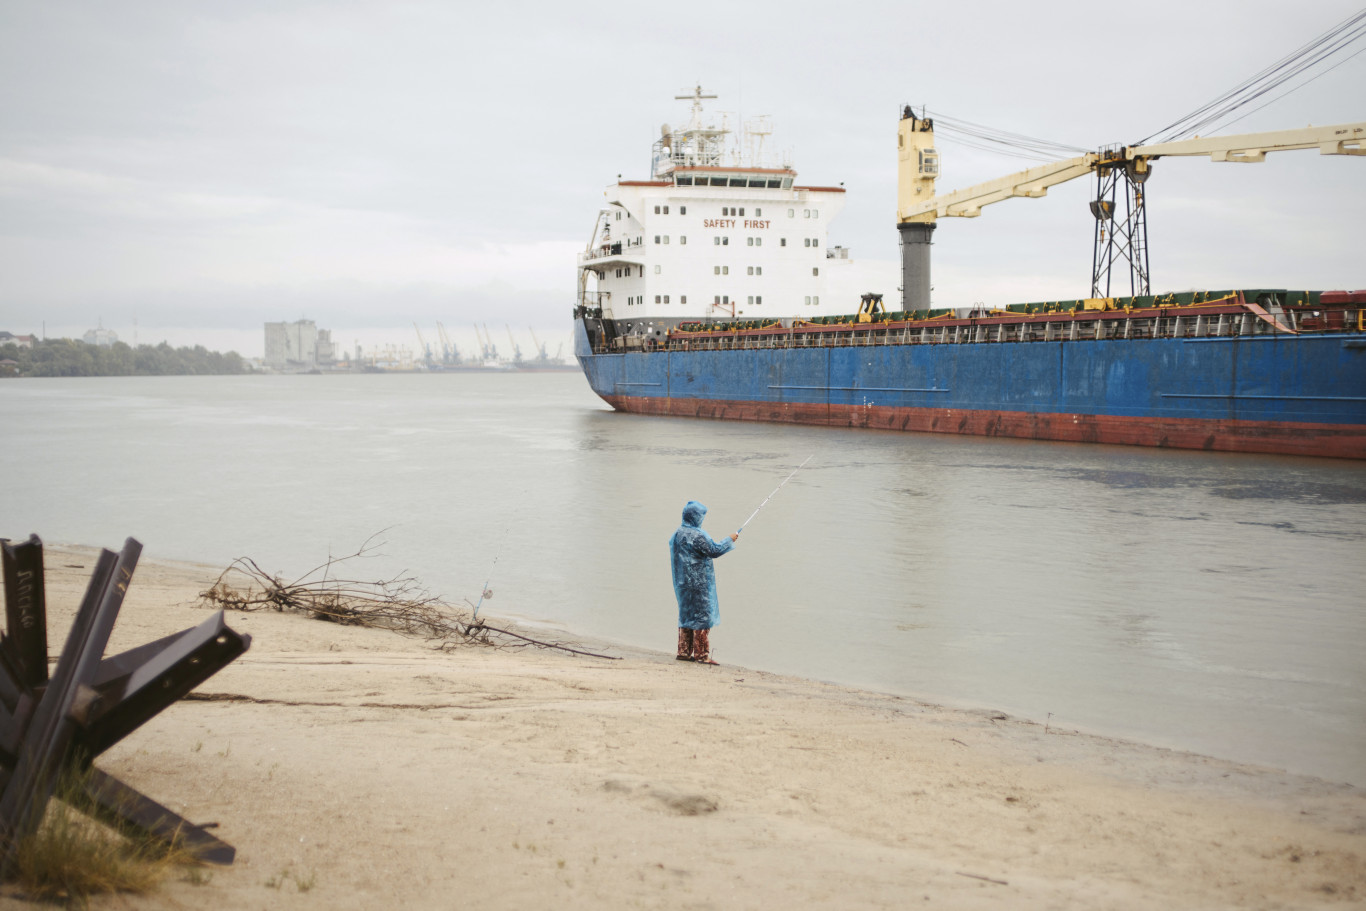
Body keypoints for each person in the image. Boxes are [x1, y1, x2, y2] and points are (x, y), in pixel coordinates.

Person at [669, 500, 738, 665]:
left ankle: (684, 652)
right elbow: (714, 550)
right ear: (695, 517)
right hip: (698, 583)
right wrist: (730, 539)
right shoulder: (698, 535)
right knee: (702, 616)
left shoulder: (677, 533)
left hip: (682, 582)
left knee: (686, 615)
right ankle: (701, 655)